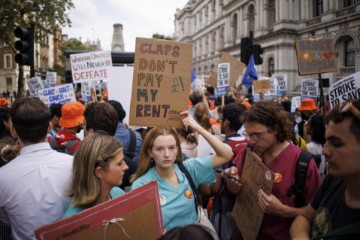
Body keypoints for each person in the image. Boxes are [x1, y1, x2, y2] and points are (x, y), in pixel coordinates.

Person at [226, 101, 322, 240]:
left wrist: (283, 211)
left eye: (257, 135)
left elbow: (316, 212)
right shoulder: (248, 152)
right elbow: (234, 192)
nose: (252, 141)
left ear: (276, 129)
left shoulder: (302, 163)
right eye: (248, 135)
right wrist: (232, 184)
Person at [130, 111, 233, 231]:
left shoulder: (189, 168)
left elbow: (226, 155)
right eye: (159, 149)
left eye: (172, 148)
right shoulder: (141, 186)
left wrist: (197, 127)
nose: (167, 154)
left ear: (178, 149)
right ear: (150, 152)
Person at [0, 97, 73, 239]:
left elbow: (6, 218)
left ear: (13, 131)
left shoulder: (2, 177)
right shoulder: (75, 165)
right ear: (49, 128)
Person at [290, 100, 360, 240]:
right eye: (326, 141)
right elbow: (304, 217)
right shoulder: (334, 179)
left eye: (337, 143)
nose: (325, 151)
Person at [63, 132, 128, 218]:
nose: (126, 167)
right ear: (99, 172)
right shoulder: (74, 221)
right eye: (119, 163)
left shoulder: (119, 194)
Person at [304, 112, 326, 176]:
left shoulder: (308, 147)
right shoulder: (322, 146)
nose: (305, 126)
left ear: (312, 129)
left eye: (307, 124)